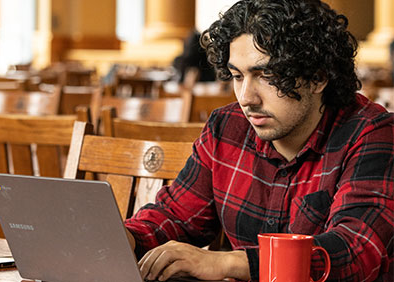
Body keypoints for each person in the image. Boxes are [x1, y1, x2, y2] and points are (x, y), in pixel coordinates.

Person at [124, 0, 394, 281]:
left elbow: (353, 252)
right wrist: (126, 237)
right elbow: (176, 215)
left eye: (266, 76)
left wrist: (228, 263)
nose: (246, 98)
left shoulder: (372, 133)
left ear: (317, 78)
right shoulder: (227, 127)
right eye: (237, 76)